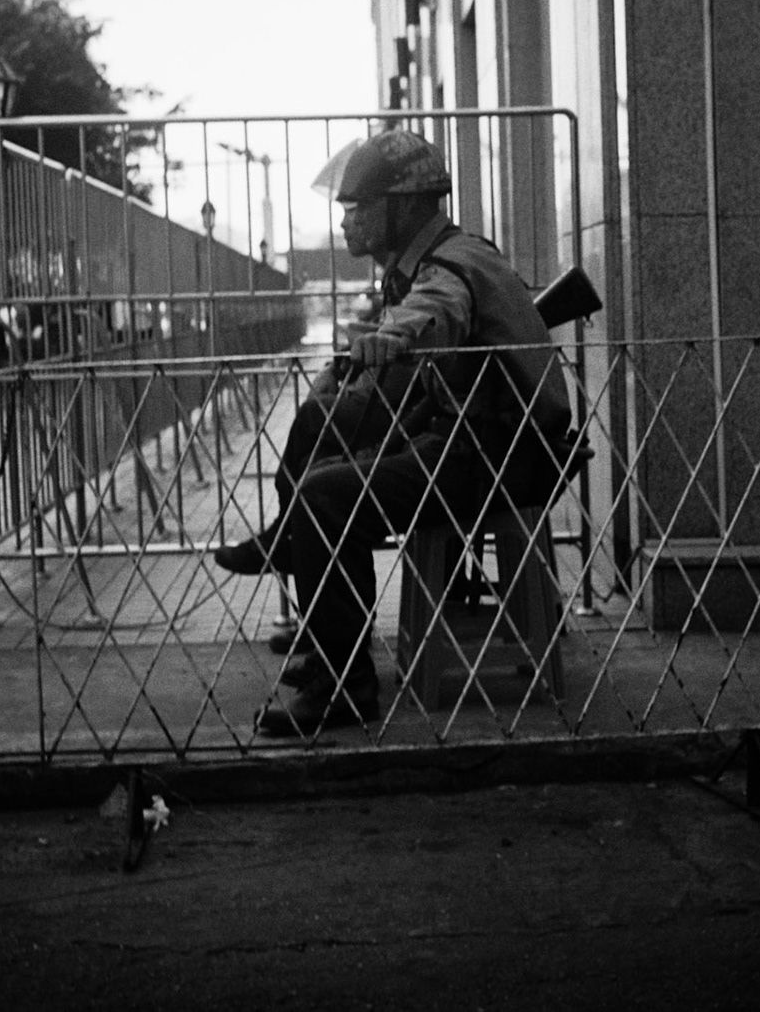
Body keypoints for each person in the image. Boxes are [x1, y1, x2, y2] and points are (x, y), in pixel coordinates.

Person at [235, 129, 571, 737]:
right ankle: (312, 608)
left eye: (359, 206)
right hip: (465, 438)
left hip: (497, 456)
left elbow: (437, 311)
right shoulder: (427, 260)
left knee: (325, 497)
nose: (346, 221)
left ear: (408, 204)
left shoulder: (451, 265)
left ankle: (342, 685)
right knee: (322, 442)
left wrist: (393, 337)